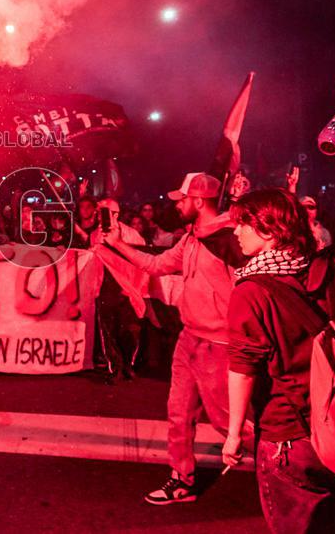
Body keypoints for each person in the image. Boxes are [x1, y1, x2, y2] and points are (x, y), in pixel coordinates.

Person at [222, 141, 335, 534]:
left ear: (269, 231)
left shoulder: (251, 291)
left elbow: (243, 368)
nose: (236, 230)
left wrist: (233, 432)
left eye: (243, 222)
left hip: (290, 437)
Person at [105, 172, 247, 505]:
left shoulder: (229, 238)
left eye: (181, 199)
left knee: (229, 423)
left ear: (198, 201)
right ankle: (181, 479)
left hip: (220, 345)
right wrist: (117, 244)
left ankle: (293, 461)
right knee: (178, 414)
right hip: (189, 339)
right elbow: (155, 265)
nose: (178, 205)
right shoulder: (192, 239)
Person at [92, 199, 145, 382]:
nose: (100, 216)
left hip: (128, 289)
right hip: (106, 288)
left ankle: (128, 364)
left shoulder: (132, 235)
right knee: (108, 332)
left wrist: (135, 289)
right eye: (99, 212)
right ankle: (114, 368)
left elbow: (142, 264)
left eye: (104, 212)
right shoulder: (95, 235)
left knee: (129, 332)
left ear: (115, 214)